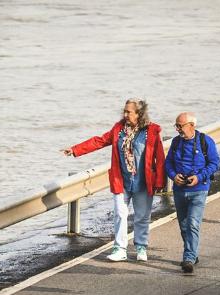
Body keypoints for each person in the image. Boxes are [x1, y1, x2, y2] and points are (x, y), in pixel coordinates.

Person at [61, 98, 166, 262]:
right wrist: (75, 149)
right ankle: (120, 248)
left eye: (128, 112)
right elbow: (99, 141)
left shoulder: (151, 131)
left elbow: (159, 158)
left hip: (143, 182)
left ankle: (141, 247)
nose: (125, 114)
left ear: (139, 113)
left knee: (142, 216)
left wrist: (160, 181)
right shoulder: (119, 129)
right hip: (121, 180)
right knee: (119, 214)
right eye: (124, 111)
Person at [165, 112, 219, 273]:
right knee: (183, 226)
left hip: (199, 190)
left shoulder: (205, 141)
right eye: (176, 126)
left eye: (180, 126)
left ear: (192, 125)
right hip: (179, 191)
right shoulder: (175, 143)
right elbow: (168, 164)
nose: (178, 129)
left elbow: (215, 163)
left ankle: (188, 258)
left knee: (193, 224)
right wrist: (174, 176)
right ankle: (192, 254)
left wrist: (199, 176)